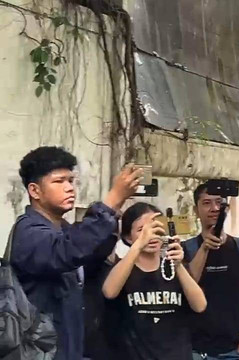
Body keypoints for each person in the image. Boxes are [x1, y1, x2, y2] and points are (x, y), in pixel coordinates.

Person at [11, 146, 142, 360]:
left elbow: (86, 256)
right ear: (34, 191)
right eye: (58, 181)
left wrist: (115, 209)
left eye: (71, 181)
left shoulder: (62, 228)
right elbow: (67, 252)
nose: (69, 188)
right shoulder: (29, 232)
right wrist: (110, 201)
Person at [102, 203, 207, 359]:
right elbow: (109, 292)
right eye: (141, 230)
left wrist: (178, 265)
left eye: (155, 229)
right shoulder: (123, 269)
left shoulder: (173, 268)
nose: (150, 236)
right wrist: (137, 247)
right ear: (128, 237)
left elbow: (200, 305)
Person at [184, 182, 239, 360]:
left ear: (227, 208)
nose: (214, 208)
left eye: (219, 203)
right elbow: (186, 287)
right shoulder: (186, 250)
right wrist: (204, 249)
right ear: (196, 209)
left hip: (238, 350)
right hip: (196, 350)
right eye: (206, 203)